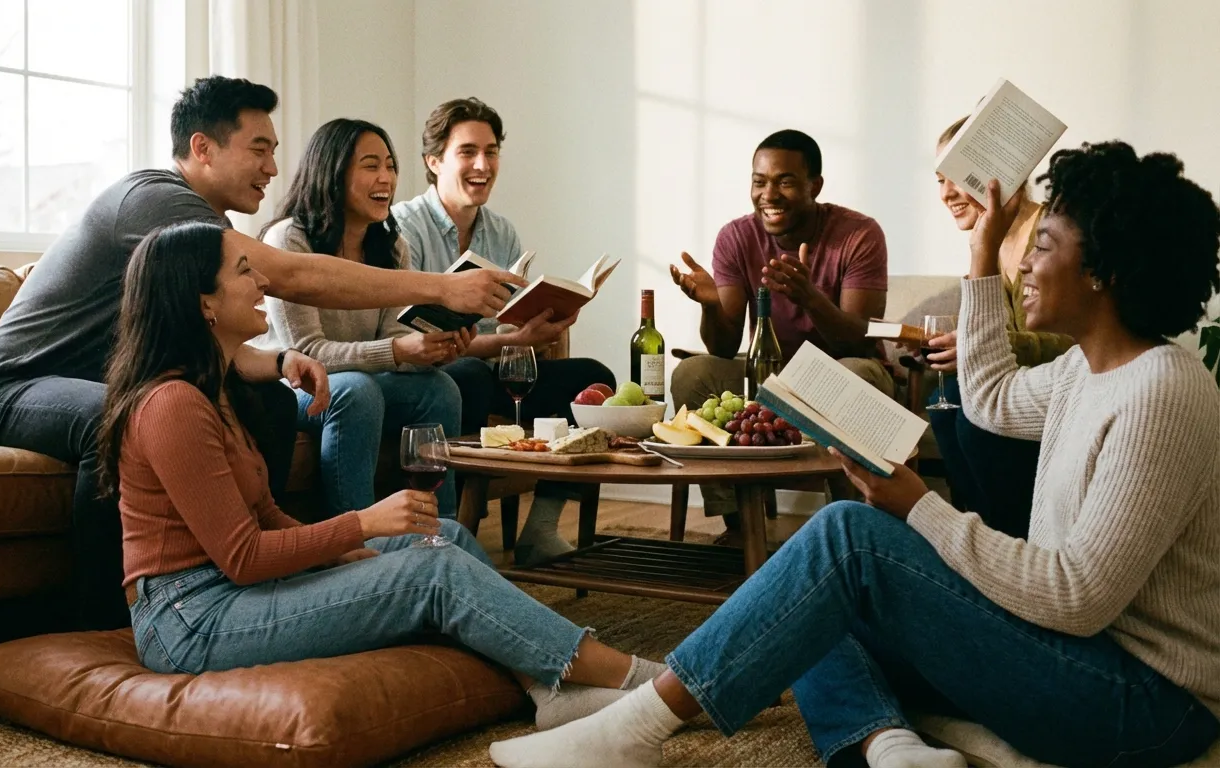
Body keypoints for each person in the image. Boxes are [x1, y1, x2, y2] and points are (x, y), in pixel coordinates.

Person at [489, 142, 1220, 768]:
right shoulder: (1084, 368)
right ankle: (888, 745)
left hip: (1144, 702)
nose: (1025, 263)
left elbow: (1076, 597)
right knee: (809, 596)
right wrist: (979, 248)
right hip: (1076, 660)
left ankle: (638, 727)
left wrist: (919, 509)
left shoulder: (1160, 391)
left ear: (1106, 273)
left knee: (848, 540)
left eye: (1044, 246)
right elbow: (992, 397)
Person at [0, 76, 522, 632]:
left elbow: (195, 345)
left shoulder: (209, 224)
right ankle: (102, 624)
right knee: (119, 416)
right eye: (259, 149)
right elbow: (291, 275)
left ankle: (269, 566)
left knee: (270, 402)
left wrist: (276, 364)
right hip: (16, 387)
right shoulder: (154, 202)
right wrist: (439, 288)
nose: (274, 168)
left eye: (274, 152)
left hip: (120, 381)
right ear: (202, 148)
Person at [101, 219, 666, 731]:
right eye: (244, 272)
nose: (262, 284)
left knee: (444, 537)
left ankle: (547, 685)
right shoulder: (173, 404)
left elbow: (264, 515)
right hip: (191, 621)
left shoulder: (214, 387)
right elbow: (244, 557)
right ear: (204, 304)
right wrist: (361, 526)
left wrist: (347, 554)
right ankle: (643, 682)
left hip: (226, 592)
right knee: (432, 571)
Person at [392, 97, 616, 564]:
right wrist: (511, 340)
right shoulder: (403, 229)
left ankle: (541, 529)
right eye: (467, 152)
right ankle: (456, 535)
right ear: (434, 162)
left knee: (591, 377)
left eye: (491, 152)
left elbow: (505, 324)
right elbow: (427, 339)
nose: (482, 165)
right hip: (432, 372)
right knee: (468, 374)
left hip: (493, 365)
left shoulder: (500, 231)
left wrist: (541, 324)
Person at [667, 129, 891, 544]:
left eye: (785, 181)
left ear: (814, 186)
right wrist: (710, 305)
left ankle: (848, 525)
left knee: (857, 372)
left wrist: (811, 298)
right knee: (692, 374)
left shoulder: (859, 235)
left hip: (842, 373)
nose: (769, 194)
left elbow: (857, 339)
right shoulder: (735, 237)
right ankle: (738, 523)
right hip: (769, 376)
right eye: (759, 181)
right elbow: (723, 347)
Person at [256, 119, 466, 520]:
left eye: (390, 165)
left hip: (357, 379)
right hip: (292, 384)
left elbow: (391, 333)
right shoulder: (288, 240)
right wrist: (397, 351)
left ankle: (442, 528)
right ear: (332, 174)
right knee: (356, 390)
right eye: (371, 165)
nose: (386, 177)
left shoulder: (392, 245)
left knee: (440, 388)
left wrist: (429, 349)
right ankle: (357, 535)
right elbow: (309, 352)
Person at [924, 116, 1074, 538]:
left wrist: (986, 346)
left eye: (957, 177)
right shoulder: (989, 242)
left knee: (973, 416)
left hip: (1055, 383)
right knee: (943, 397)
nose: (947, 193)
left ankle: (1013, 540)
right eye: (940, 180)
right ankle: (979, 530)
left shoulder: (1050, 233)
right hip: (1010, 381)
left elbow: (1074, 338)